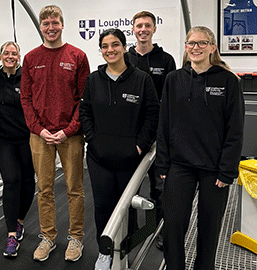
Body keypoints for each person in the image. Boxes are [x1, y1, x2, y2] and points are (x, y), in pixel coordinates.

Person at [155, 26, 244, 270]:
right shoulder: (174, 79)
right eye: (191, 43)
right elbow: (164, 122)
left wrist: (227, 171)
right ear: (185, 47)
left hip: (214, 169)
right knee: (173, 225)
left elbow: (235, 129)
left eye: (202, 43)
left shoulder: (228, 81)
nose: (196, 47)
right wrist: (162, 163)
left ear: (213, 47)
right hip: (180, 165)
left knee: (209, 227)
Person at [79, 28, 159, 270]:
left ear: (125, 47)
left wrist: (139, 146)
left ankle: (126, 247)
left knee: (126, 209)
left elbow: (152, 115)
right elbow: (85, 113)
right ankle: (105, 253)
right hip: (98, 157)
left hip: (129, 158)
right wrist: (93, 141)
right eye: (105, 46)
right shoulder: (94, 80)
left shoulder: (142, 79)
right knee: (103, 206)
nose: (110, 50)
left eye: (115, 45)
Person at [20, 5, 90, 262]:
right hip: (40, 135)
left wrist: (69, 130)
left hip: (70, 135)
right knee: (44, 189)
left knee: (75, 188)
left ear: (62, 24)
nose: (51, 27)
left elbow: (84, 99)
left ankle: (76, 237)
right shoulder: (30, 58)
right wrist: (38, 129)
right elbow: (26, 99)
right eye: (46, 23)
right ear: (40, 27)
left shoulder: (78, 56)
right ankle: (48, 237)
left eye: (55, 23)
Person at [128, 10, 177, 249]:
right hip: (132, 134)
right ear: (133, 29)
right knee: (130, 186)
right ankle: (133, 230)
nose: (143, 29)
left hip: (159, 136)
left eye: (147, 25)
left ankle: (159, 229)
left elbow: (171, 99)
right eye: (139, 26)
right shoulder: (126, 59)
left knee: (159, 186)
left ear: (154, 29)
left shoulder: (166, 60)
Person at [0, 41, 35, 257]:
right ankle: (11, 236)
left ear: (19, 57)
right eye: (6, 53)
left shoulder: (28, 77)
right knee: (11, 181)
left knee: (27, 183)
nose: (10, 56)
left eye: (14, 53)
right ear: (0, 56)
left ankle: (19, 221)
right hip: (4, 140)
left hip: (27, 139)